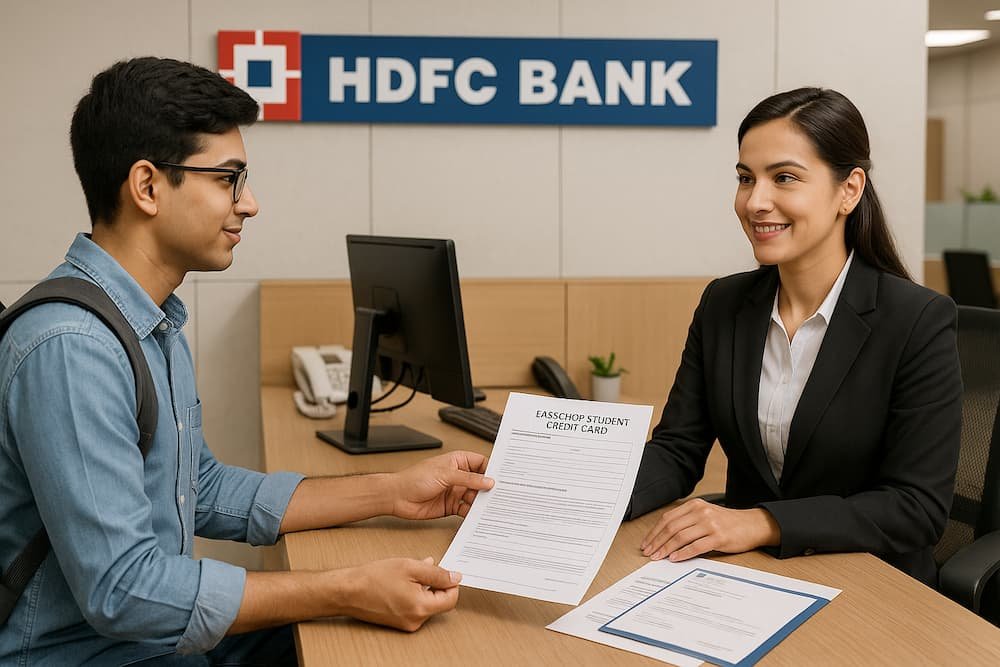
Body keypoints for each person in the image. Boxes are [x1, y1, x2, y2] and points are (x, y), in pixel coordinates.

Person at [0, 57, 494, 665]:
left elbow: (199, 487)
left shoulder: (147, 320)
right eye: (228, 179)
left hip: (141, 643)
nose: (250, 203)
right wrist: (347, 588)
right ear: (148, 186)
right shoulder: (75, 347)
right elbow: (123, 592)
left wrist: (394, 492)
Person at [626, 87, 962, 586]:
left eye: (784, 177)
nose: (756, 202)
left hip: (871, 584)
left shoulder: (917, 320)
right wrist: (566, 496)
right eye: (745, 179)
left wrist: (760, 522)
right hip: (745, 576)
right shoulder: (724, 304)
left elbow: (915, 507)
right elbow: (677, 449)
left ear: (849, 190)